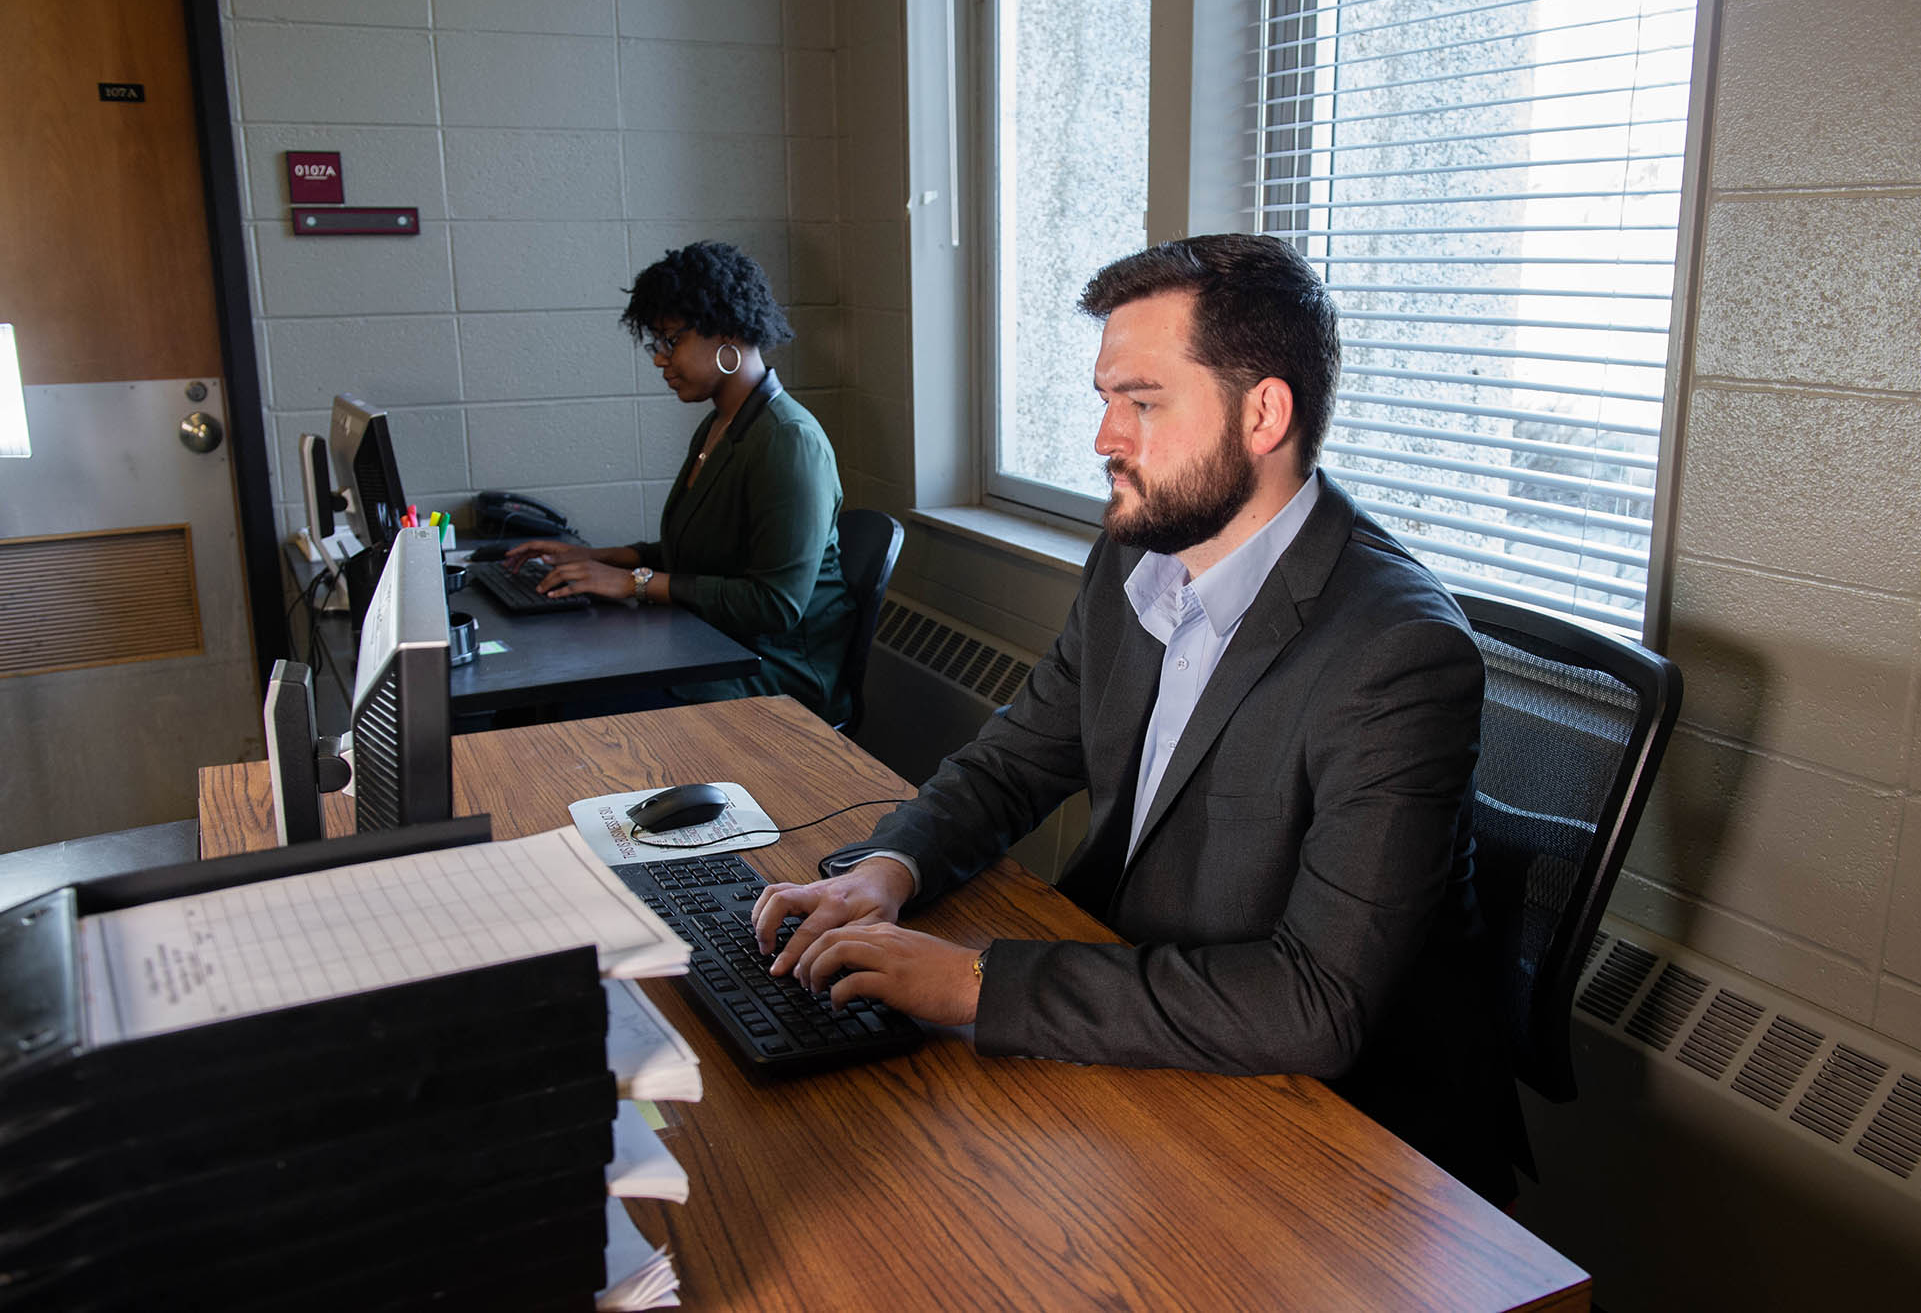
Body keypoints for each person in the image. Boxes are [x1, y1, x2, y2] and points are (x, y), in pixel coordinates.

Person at [749, 233, 1525, 1204]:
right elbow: (1013, 760)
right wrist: (882, 869)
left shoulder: (1397, 652)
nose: (1104, 439)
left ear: (1263, 414)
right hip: (1134, 1013)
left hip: (1329, 1137)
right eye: (1104, 399)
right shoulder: (1138, 555)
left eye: (1143, 402)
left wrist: (973, 983)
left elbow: (1311, 1003)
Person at [503, 241, 855, 724]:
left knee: (566, 706)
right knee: (546, 684)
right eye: (658, 343)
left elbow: (774, 604)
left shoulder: (789, 440)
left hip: (773, 676)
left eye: (672, 341)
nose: (659, 359)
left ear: (727, 333)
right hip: (711, 646)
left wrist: (635, 582)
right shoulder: (723, 424)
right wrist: (596, 557)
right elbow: (703, 551)